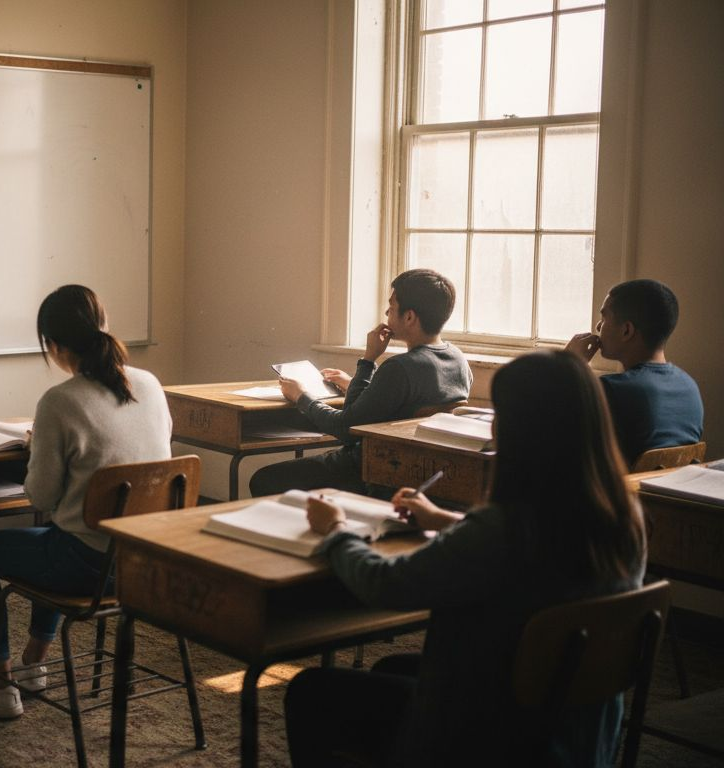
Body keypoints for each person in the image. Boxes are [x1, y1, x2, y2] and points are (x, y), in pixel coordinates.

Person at [284, 350, 646, 767]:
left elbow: (384, 584)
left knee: (310, 690)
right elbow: (516, 548)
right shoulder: (623, 516)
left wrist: (336, 530)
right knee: (394, 666)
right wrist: (444, 519)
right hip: (575, 728)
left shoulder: (502, 529)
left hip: (490, 736)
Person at [0, 284, 173, 718]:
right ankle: (33, 664)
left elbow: (42, 496)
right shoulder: (150, 384)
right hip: (144, 562)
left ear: (52, 345)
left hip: (88, 567)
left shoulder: (59, 402)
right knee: (55, 534)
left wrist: (38, 451)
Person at [249, 268, 472, 497]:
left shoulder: (399, 367)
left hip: (368, 468)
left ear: (409, 317)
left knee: (264, 479)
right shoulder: (458, 359)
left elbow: (346, 428)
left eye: (392, 307)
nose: (386, 312)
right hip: (415, 472)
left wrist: (302, 396)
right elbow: (390, 404)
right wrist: (357, 382)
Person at [565, 278, 704, 464]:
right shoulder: (689, 387)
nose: (598, 327)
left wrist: (568, 365)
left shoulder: (612, 391)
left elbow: (551, 432)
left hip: (617, 493)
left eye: (604, 318)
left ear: (626, 331)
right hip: (660, 492)